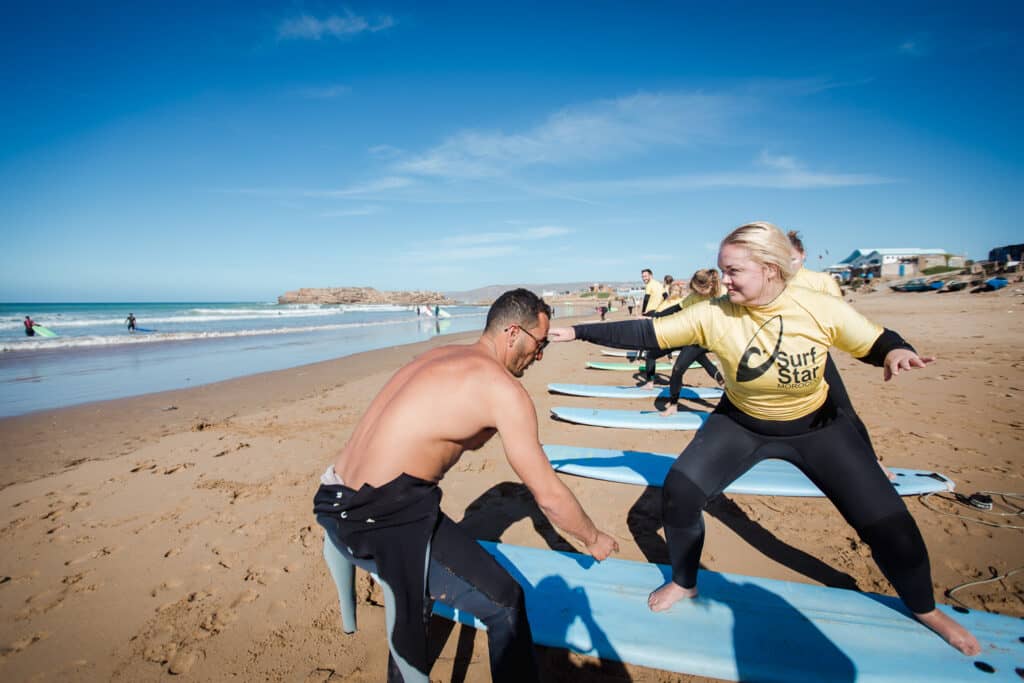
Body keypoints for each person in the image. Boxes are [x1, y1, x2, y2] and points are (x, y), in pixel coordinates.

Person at [549, 222, 980, 656]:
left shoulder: (815, 306)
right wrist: (578, 331)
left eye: (734, 271)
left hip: (819, 427)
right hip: (741, 423)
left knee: (892, 526)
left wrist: (895, 351)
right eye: (722, 271)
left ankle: (926, 610)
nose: (724, 281)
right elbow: (648, 333)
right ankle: (684, 581)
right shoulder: (714, 312)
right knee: (679, 491)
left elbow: (872, 339)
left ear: (771, 268)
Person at [313, 288, 618, 682]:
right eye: (539, 343)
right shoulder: (503, 391)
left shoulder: (437, 355)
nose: (540, 355)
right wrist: (593, 539)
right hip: (379, 523)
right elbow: (548, 495)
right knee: (506, 603)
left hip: (332, 499)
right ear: (512, 333)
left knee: (430, 565)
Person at [788, 230, 893, 480]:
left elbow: (839, 318)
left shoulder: (820, 281)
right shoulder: (771, 282)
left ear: (803, 255)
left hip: (815, 356)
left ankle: (872, 462)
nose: (787, 265)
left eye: (791, 258)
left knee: (843, 410)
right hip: (780, 360)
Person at [656, 270, 725, 414]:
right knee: (678, 368)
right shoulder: (695, 296)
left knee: (736, 370)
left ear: (709, 285)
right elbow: (676, 308)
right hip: (697, 338)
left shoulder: (724, 294)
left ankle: (731, 395)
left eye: (697, 288)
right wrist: (656, 316)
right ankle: (674, 404)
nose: (694, 291)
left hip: (720, 337)